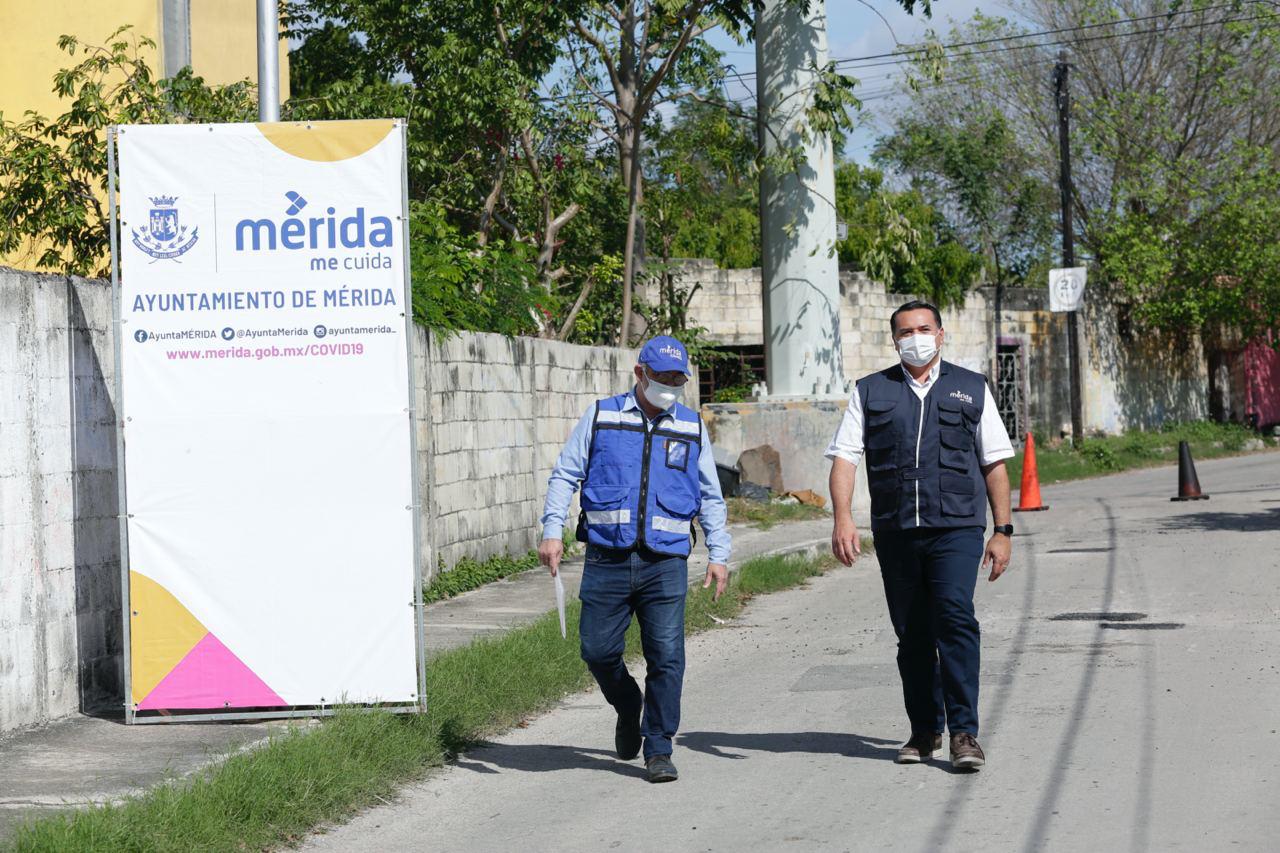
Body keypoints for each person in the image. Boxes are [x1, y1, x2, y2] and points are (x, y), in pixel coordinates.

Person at [826, 300, 1014, 770]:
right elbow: (846, 457)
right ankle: (925, 729)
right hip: (897, 530)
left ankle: (964, 733)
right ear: (894, 340)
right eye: (906, 331)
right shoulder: (871, 391)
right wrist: (843, 518)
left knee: (954, 619)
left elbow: (994, 462)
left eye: (924, 328)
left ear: (941, 334)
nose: (916, 337)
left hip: (957, 528)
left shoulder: (971, 389)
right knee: (912, 635)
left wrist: (1003, 530)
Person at [538, 335, 731, 783]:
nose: (669, 385)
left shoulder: (690, 425)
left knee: (667, 657)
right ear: (639, 373)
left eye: (677, 379)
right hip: (607, 557)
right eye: (661, 377)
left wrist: (719, 554)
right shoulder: (602, 416)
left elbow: (710, 496)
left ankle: (659, 746)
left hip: (665, 563)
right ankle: (628, 706)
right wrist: (553, 531)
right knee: (597, 651)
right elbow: (566, 473)